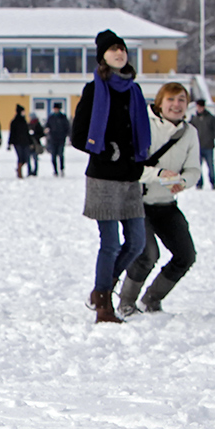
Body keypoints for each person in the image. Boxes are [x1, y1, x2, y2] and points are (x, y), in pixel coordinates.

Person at [71, 29, 151, 324]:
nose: (119, 53)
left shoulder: (134, 90)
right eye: (113, 49)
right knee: (111, 243)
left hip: (130, 177)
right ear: (102, 56)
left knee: (137, 243)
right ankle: (104, 305)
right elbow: (78, 136)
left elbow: (142, 134)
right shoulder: (94, 90)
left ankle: (102, 287)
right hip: (104, 177)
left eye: (122, 49)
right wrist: (107, 150)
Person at [117, 82, 200, 317]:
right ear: (160, 103)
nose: (176, 105)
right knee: (147, 254)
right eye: (171, 100)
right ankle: (126, 302)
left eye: (181, 100)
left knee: (186, 255)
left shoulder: (189, 132)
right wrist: (160, 175)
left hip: (166, 205)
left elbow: (193, 169)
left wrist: (183, 181)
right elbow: (131, 167)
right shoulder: (143, 125)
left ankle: (152, 300)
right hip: (138, 202)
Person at [45, 103, 70, 176]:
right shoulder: (51, 117)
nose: (55, 110)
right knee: (53, 156)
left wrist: (67, 136)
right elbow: (47, 126)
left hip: (61, 139)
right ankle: (55, 170)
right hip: (53, 139)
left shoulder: (63, 117)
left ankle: (62, 169)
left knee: (61, 155)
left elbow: (67, 127)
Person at [7, 105, 31, 179]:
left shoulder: (24, 121)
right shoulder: (14, 122)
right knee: (20, 157)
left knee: (26, 158)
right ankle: (19, 173)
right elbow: (12, 133)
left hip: (25, 142)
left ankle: (18, 169)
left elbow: (27, 132)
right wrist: (9, 143)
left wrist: (30, 141)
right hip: (17, 143)